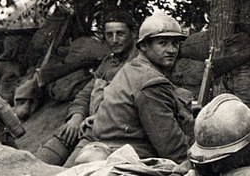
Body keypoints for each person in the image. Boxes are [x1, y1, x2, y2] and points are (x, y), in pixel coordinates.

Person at [65, 11, 194, 166]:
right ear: (144, 45)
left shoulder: (133, 69)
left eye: (175, 43)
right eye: (163, 43)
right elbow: (172, 149)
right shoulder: (151, 81)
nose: (172, 50)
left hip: (109, 151)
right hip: (129, 159)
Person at [35, 10, 138, 164]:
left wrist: (95, 118)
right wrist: (76, 117)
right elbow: (85, 94)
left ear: (133, 33)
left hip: (114, 133)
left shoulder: (139, 64)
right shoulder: (108, 63)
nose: (115, 40)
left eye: (120, 34)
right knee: (45, 156)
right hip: (90, 126)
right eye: (109, 35)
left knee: (68, 173)